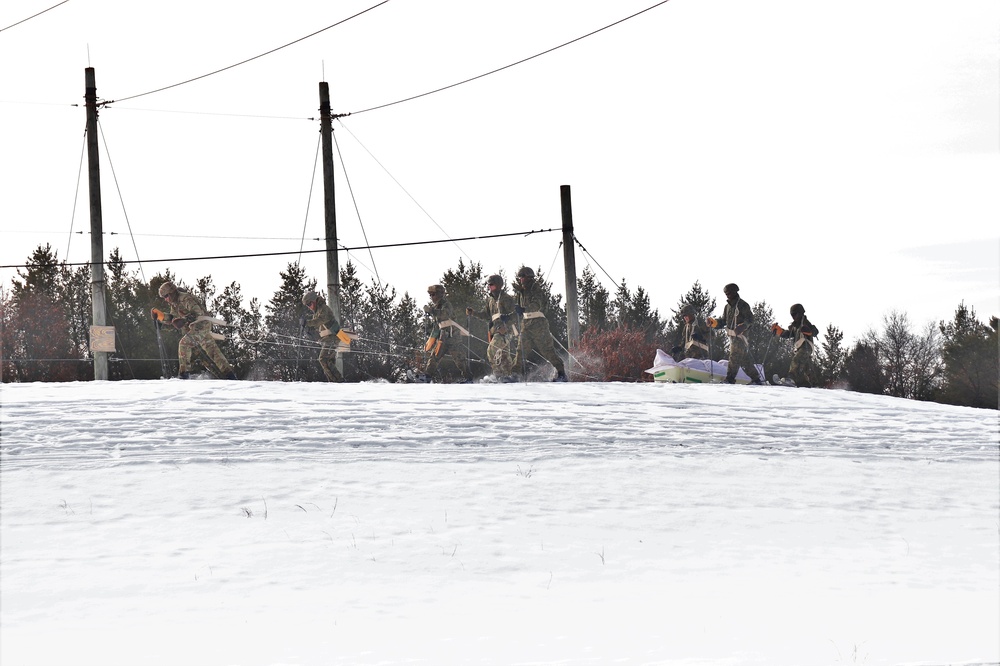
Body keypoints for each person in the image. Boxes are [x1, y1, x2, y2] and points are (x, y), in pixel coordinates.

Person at [152, 281, 237, 380]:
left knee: (184, 344)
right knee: (212, 352)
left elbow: (198, 313)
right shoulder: (174, 304)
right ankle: (230, 376)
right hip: (195, 328)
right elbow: (172, 318)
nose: (166, 299)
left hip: (201, 325)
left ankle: (184, 375)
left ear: (171, 292)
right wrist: (160, 318)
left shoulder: (184, 298)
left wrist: (184, 320)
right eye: (164, 298)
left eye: (166, 296)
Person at [511, 266, 567, 381]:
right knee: (521, 350)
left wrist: (523, 309)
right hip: (526, 324)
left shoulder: (536, 290)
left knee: (547, 350)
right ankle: (515, 375)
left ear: (529, 277)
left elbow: (536, 305)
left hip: (538, 325)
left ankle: (561, 372)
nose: (520, 279)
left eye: (522, 276)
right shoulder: (521, 292)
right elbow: (519, 310)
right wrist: (512, 314)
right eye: (520, 277)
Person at [466, 274, 517, 380]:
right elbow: (486, 315)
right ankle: (509, 376)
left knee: (492, 350)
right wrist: (473, 313)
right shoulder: (490, 300)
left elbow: (515, 315)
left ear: (498, 285)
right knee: (503, 354)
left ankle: (497, 374)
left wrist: (506, 327)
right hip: (496, 330)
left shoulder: (506, 299)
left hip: (506, 330)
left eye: (491, 284)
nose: (489, 286)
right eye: (488, 285)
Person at [706, 283, 759, 384]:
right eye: (726, 293)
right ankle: (756, 379)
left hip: (741, 336)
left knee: (734, 355)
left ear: (735, 291)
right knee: (743, 359)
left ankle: (730, 379)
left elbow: (750, 319)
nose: (728, 295)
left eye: (730, 292)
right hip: (731, 337)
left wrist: (743, 326)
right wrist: (714, 323)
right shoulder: (727, 307)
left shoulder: (743, 305)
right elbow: (723, 321)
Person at [423, 284, 472, 382]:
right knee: (434, 356)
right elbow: (437, 325)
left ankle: (468, 378)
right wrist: (431, 340)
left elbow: (444, 315)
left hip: (452, 336)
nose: (431, 297)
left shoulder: (446, 304)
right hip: (442, 337)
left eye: (433, 294)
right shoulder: (437, 306)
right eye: (430, 295)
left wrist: (431, 311)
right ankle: (427, 377)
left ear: (439, 295)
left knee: (459, 358)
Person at [772, 303, 820, 387]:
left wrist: (809, 331)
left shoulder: (805, 323)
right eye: (792, 315)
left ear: (800, 313)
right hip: (799, 348)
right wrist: (779, 331)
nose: (793, 316)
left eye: (795, 314)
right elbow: (788, 334)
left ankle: (790, 379)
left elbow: (815, 330)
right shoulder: (795, 326)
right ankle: (810, 384)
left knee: (796, 360)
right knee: (806, 368)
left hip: (806, 346)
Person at [302, 290, 344, 383]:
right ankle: (333, 383)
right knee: (329, 362)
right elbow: (317, 327)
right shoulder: (317, 312)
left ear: (314, 301)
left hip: (332, 338)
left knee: (323, 359)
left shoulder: (324, 309)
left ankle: (339, 381)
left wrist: (307, 323)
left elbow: (320, 320)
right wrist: (308, 330)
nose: (309, 307)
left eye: (309, 304)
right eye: (307, 306)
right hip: (326, 339)